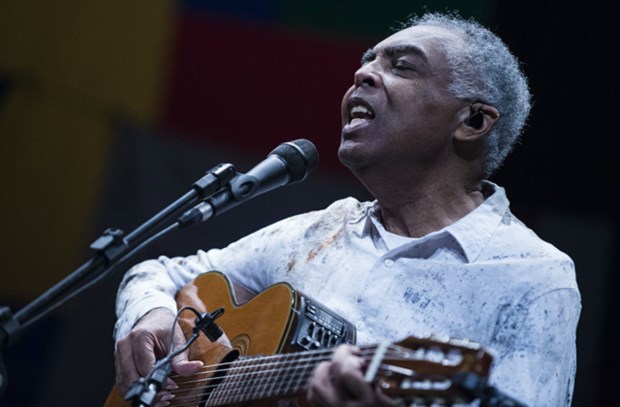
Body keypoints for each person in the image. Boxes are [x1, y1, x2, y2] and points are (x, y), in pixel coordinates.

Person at [112, 11, 581, 407]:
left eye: (401, 67)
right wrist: (150, 316)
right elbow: (160, 273)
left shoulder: (533, 276)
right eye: (367, 60)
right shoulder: (321, 231)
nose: (363, 74)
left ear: (473, 121)